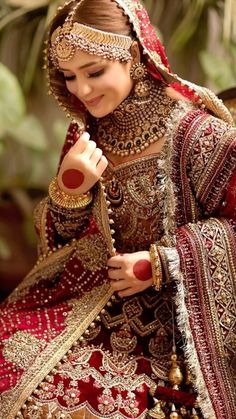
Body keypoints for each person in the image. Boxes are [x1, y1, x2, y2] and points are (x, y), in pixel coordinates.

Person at [0, 0, 235, 417]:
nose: (82, 91)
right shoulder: (87, 132)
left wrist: (162, 263)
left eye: (95, 72)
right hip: (84, 298)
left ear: (135, 58)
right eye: (69, 76)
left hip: (171, 330)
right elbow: (63, 242)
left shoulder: (196, 135)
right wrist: (70, 189)